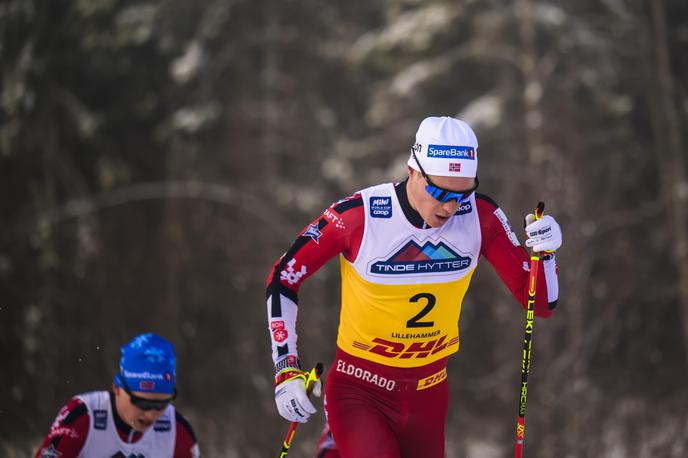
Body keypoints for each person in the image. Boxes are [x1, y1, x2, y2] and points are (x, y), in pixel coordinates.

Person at [266, 116, 562, 458]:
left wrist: (547, 254)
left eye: (463, 194)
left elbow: (540, 303)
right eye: (439, 192)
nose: (450, 207)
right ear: (413, 171)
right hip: (359, 389)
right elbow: (283, 275)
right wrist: (285, 367)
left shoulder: (480, 216)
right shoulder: (360, 216)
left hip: (429, 394)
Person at [35, 333, 200, 458]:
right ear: (117, 388)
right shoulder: (83, 417)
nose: (151, 414)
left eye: (162, 404)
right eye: (141, 403)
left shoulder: (177, 430)